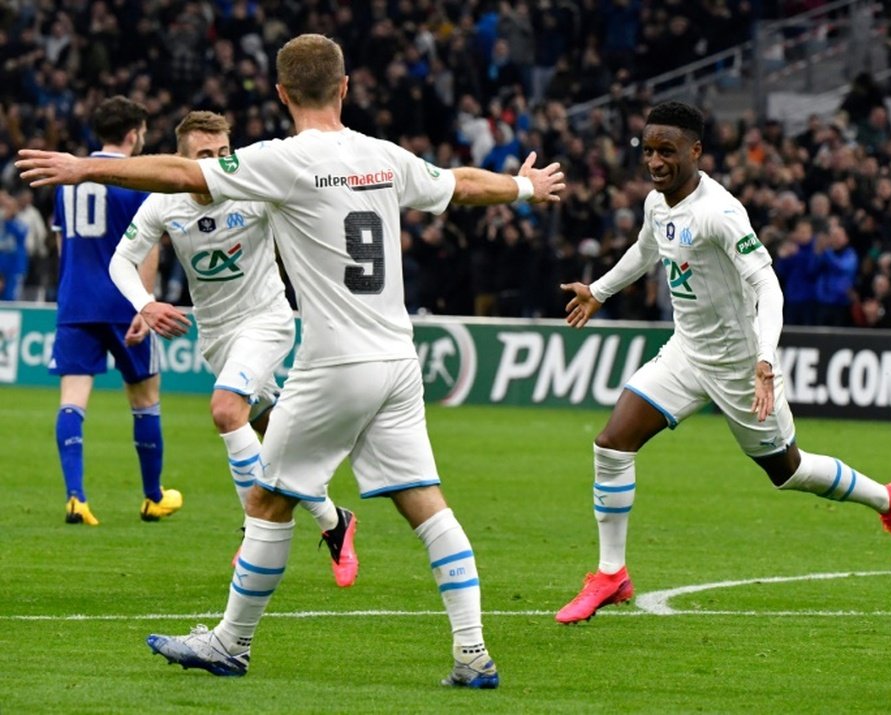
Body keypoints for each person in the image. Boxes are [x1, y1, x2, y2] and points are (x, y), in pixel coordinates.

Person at [18, 34, 565, 687]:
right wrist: (524, 187)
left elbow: (180, 175)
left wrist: (88, 167)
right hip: (397, 358)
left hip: (335, 364)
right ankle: (473, 652)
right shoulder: (383, 155)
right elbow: (461, 185)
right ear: (346, 87)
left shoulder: (280, 160)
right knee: (425, 501)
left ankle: (230, 642)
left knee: (269, 500)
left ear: (280, 94)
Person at [555, 101, 891, 625]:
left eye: (668, 152)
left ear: (695, 152)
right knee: (612, 443)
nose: (655, 162)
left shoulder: (720, 213)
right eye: (650, 150)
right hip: (686, 352)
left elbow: (767, 285)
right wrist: (599, 292)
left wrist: (766, 360)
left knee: (787, 471)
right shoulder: (659, 204)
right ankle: (611, 574)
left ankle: (890, 500)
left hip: (739, 364)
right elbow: (645, 249)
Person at [107, 110, 357, 587]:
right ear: (183, 161)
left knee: (226, 411)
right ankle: (334, 521)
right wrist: (146, 304)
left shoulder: (252, 185)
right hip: (218, 335)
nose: (219, 163)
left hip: (266, 320)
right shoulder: (166, 202)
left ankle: (254, 530)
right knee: (274, 436)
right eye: (205, 156)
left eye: (224, 153)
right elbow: (122, 260)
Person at [48, 95, 182, 526]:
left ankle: (76, 498)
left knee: (72, 400)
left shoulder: (68, 177)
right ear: (132, 134)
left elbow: (60, 245)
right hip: (124, 304)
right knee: (145, 398)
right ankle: (152, 497)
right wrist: (145, 304)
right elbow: (146, 251)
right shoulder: (135, 180)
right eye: (142, 133)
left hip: (75, 301)